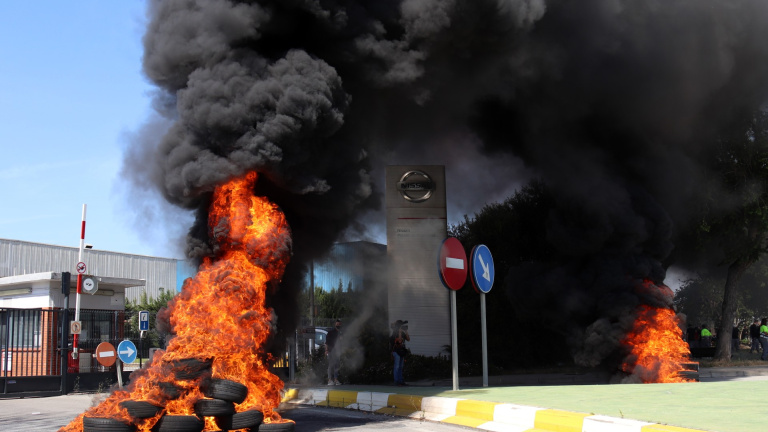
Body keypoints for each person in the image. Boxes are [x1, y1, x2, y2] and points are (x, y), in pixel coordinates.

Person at [390, 320, 410, 386]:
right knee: (397, 367)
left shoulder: (402, 332)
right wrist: (399, 333)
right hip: (396, 351)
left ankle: (401, 381)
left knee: (400, 367)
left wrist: (406, 331)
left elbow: (408, 339)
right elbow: (399, 341)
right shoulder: (395, 332)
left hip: (401, 351)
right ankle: (396, 381)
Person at [325, 319, 342, 385]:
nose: (338, 325)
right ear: (335, 324)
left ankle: (335, 379)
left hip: (337, 351)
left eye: (339, 324)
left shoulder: (340, 333)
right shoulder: (331, 332)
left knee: (336, 365)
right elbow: (326, 342)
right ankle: (329, 380)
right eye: (337, 324)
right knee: (331, 365)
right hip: (331, 350)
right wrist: (326, 350)